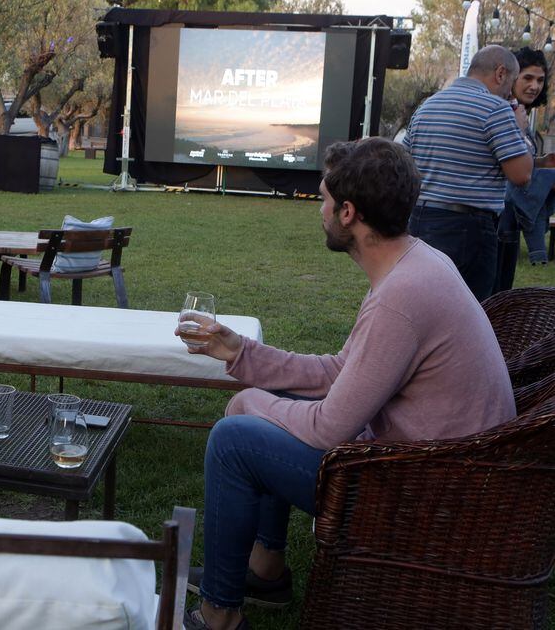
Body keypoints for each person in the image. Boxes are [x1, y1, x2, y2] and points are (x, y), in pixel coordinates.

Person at [178, 138, 514, 630]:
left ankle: (219, 615)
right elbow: (341, 373)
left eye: (323, 200)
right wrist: (241, 353)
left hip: (425, 486)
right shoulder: (417, 263)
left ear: (349, 213)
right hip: (438, 464)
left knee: (234, 441)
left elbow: (329, 429)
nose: (320, 210)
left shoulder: (401, 297)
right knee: (273, 406)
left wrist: (251, 402)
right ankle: (264, 570)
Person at [405, 44, 533, 300]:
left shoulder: (427, 106)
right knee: (467, 311)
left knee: (422, 302)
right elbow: (522, 175)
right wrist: (519, 130)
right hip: (468, 229)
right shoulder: (495, 110)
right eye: (513, 80)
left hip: (419, 220)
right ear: (500, 74)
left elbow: (406, 163)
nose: (511, 91)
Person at [495, 47, 555, 288]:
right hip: (497, 220)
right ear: (511, 78)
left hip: (508, 223)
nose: (535, 86)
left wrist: (542, 162)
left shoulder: (519, 113)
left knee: (502, 290)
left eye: (540, 80)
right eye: (528, 78)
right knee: (494, 294)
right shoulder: (503, 113)